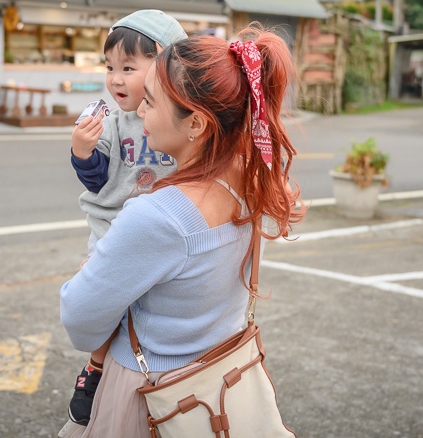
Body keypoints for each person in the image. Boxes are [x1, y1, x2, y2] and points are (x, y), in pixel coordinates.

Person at [59, 25, 305, 436]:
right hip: (219, 381)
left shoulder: (157, 216)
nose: (139, 112)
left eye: (151, 102)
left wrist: (90, 271)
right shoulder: (248, 181)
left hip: (153, 395)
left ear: (195, 123)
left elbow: (80, 321)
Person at [65, 9, 187, 426]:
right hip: (114, 223)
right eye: (110, 67)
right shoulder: (111, 122)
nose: (116, 79)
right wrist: (83, 149)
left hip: (165, 225)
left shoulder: (182, 116)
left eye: (129, 68)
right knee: (110, 297)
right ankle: (96, 366)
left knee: (156, 299)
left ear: (167, 67)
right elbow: (97, 181)